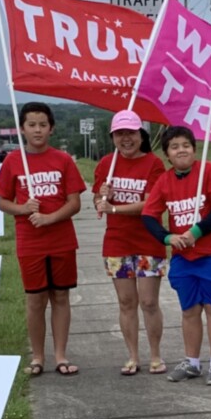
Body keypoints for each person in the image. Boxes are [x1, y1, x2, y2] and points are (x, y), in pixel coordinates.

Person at [0, 102, 86, 377]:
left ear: (51, 128)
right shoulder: (13, 161)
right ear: (22, 128)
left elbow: (75, 202)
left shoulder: (63, 160)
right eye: (31, 125)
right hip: (30, 242)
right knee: (35, 300)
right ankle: (37, 357)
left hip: (61, 240)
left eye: (43, 125)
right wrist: (22, 209)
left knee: (60, 296)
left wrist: (50, 218)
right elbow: (2, 201)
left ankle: (60, 355)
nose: (37, 130)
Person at [142, 126, 211, 385]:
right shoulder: (165, 181)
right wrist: (167, 237)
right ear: (167, 155)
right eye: (174, 146)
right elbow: (149, 215)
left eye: (185, 145)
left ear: (194, 149)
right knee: (189, 310)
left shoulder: (209, 172)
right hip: (184, 259)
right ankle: (192, 362)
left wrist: (196, 231)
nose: (181, 150)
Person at [92, 111, 169, 376]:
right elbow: (98, 205)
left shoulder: (153, 164)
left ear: (141, 135)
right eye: (120, 134)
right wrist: (103, 199)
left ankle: (156, 356)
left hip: (148, 241)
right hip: (117, 243)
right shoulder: (105, 164)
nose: (126, 139)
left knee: (148, 302)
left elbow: (150, 204)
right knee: (126, 302)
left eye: (131, 133)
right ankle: (132, 356)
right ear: (112, 136)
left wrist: (114, 208)